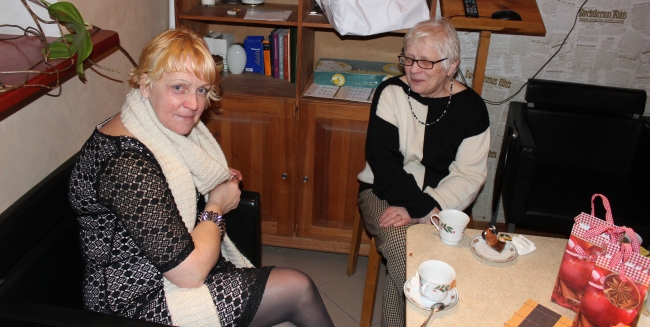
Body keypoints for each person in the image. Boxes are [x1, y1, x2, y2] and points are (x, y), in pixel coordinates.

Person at [69, 28, 334, 327]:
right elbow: (190, 273)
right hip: (136, 302)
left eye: (201, 90)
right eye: (179, 87)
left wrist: (211, 179)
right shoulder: (126, 164)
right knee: (298, 290)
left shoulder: (146, 125)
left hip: (167, 269)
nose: (194, 104)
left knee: (288, 297)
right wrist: (216, 205)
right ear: (145, 84)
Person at [357, 18, 490, 326]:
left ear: (451, 66)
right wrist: (420, 209)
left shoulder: (472, 109)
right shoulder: (391, 92)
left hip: (443, 203)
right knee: (406, 258)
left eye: (426, 62)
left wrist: (425, 210)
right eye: (408, 58)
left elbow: (469, 175)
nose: (414, 69)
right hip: (383, 192)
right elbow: (384, 163)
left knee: (434, 263)